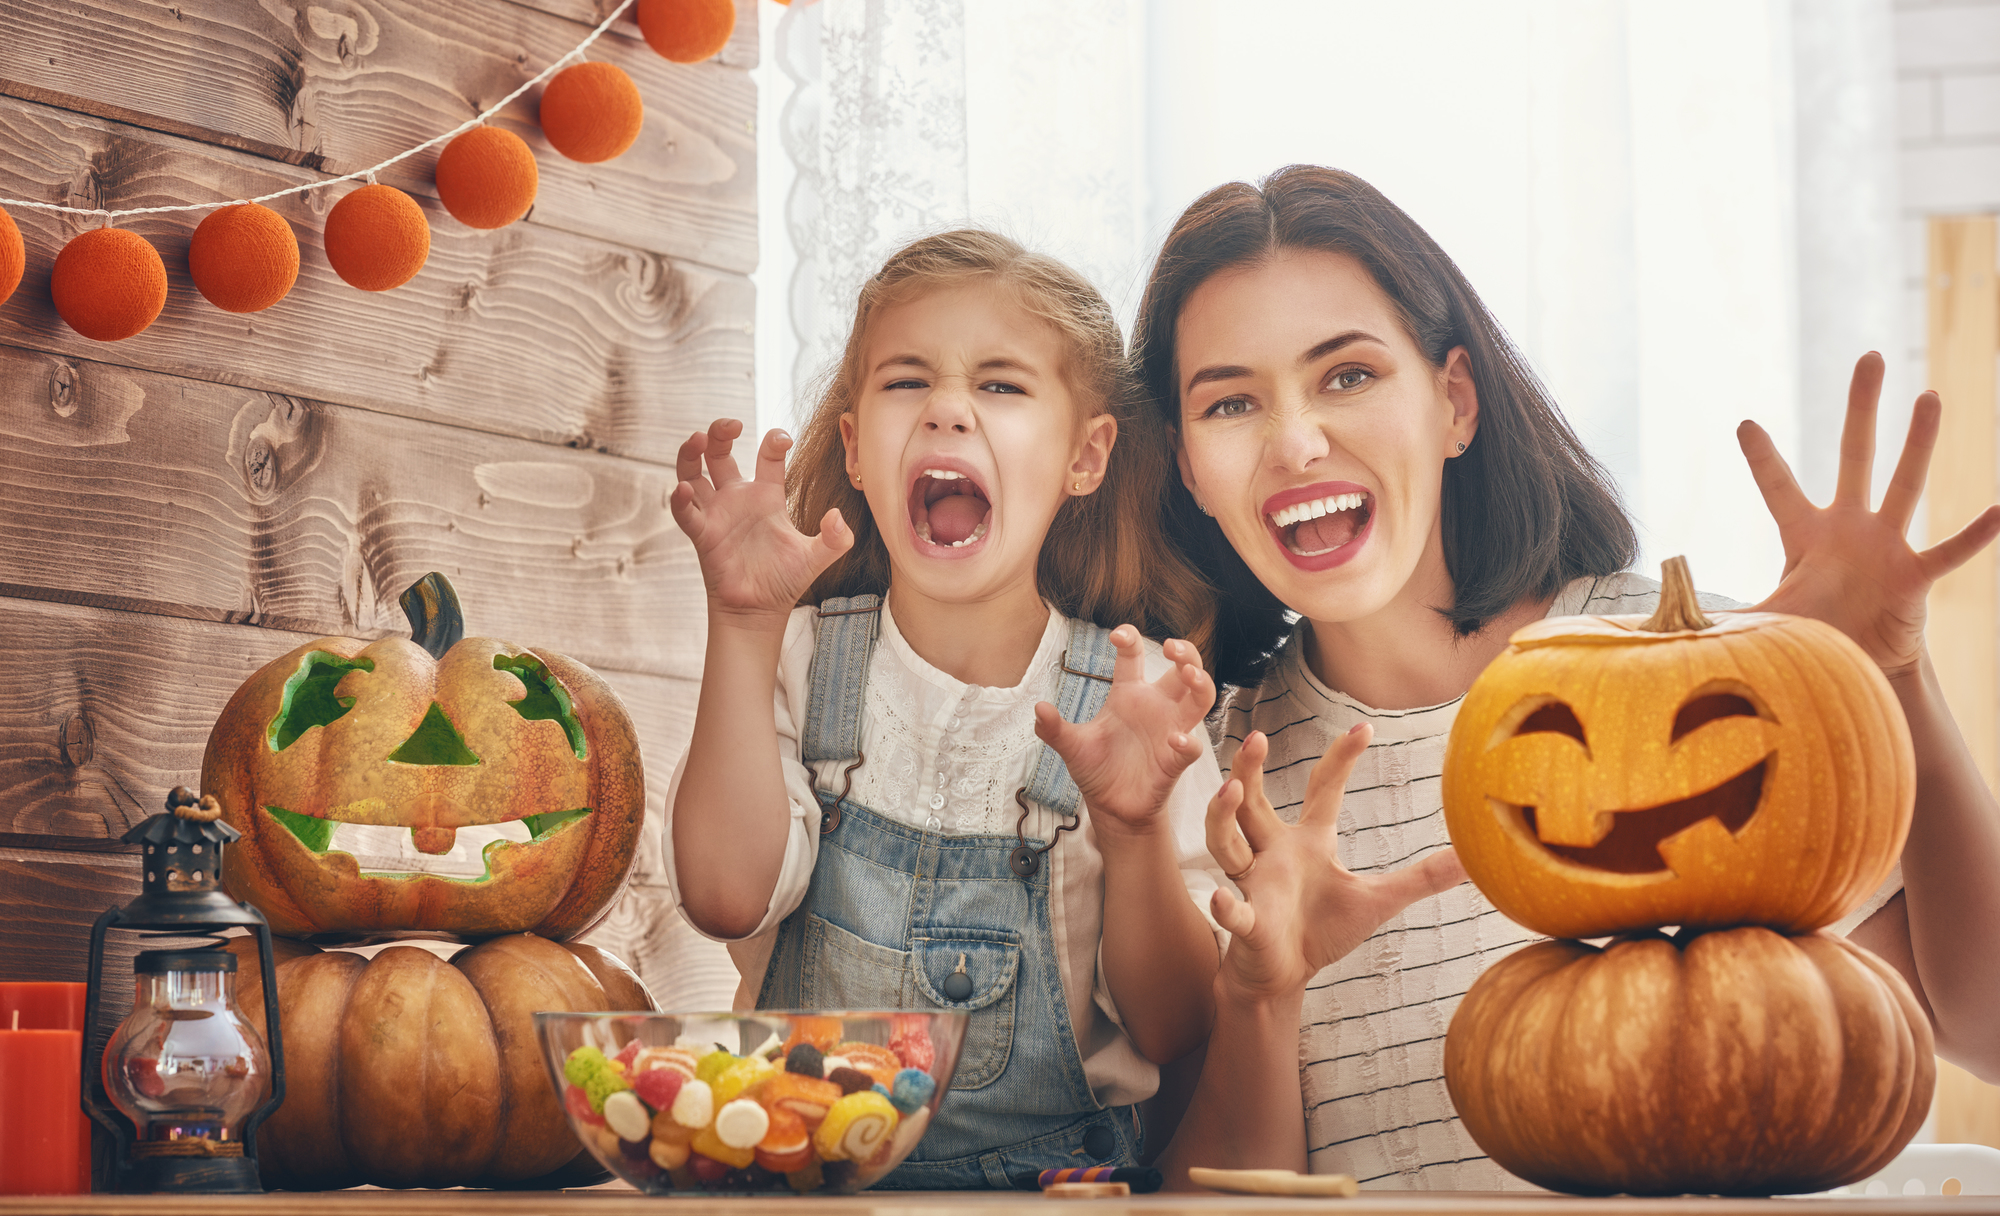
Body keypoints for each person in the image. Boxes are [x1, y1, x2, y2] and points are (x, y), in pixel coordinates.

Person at [1128, 166, 2000, 1189]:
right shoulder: (1196, 772)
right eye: (1229, 401)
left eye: (1347, 375)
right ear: (1187, 465)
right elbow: (1201, 1198)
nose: (1294, 440)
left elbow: (1980, 1024)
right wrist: (1256, 994)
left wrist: (1896, 676)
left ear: (1454, 401)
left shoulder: (1696, 673)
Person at [664, 229, 1230, 1187]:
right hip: (812, 1191)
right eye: (905, 382)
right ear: (854, 443)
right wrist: (745, 624)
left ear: (1086, 456)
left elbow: (1176, 1025)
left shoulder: (1135, 705)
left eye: (1001, 386)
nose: (948, 411)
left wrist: (1134, 833)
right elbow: (724, 898)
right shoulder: (797, 654)